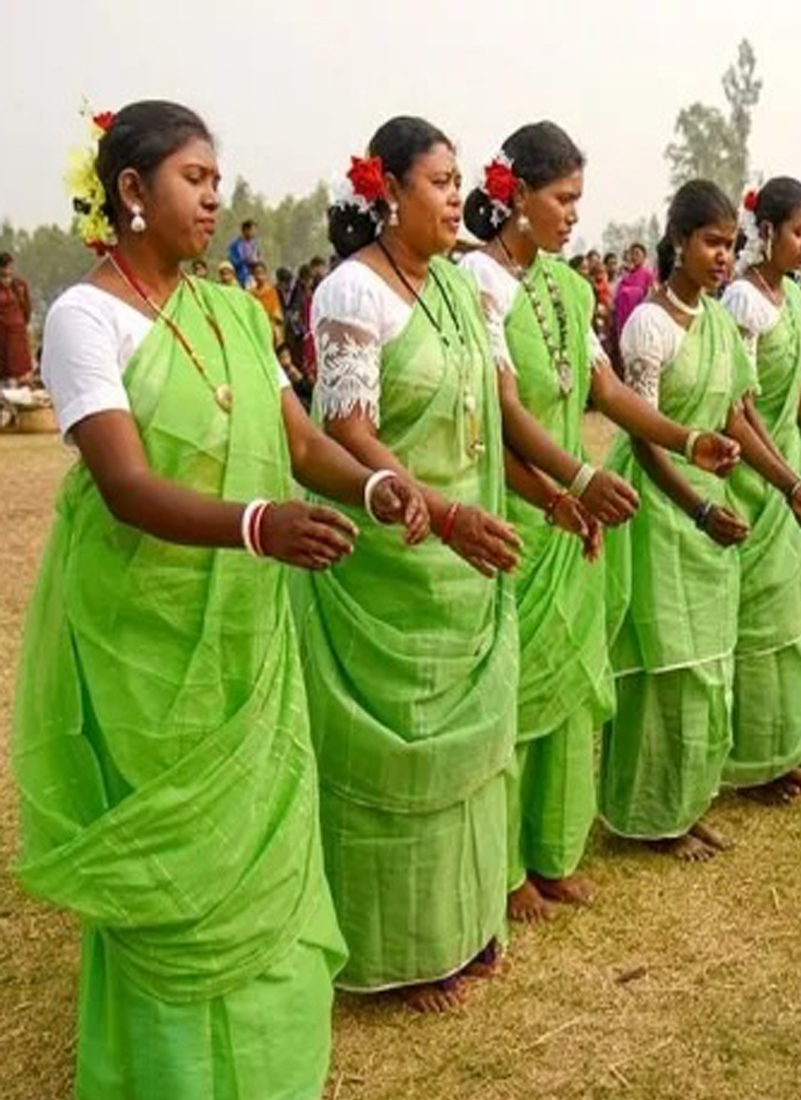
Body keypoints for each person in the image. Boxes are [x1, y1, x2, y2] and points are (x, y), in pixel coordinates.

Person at [15, 99, 426, 1099]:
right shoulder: (85, 316)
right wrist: (257, 525)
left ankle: (273, 1067)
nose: (214, 195)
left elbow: (299, 441)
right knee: (174, 882)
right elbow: (124, 483)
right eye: (195, 178)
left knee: (261, 849)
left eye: (215, 177)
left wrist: (375, 484)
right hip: (142, 634)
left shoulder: (234, 310)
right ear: (131, 191)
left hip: (245, 627)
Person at [302, 115, 605, 1012]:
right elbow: (346, 430)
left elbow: (492, 413)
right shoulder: (353, 294)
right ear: (387, 190)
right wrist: (437, 512)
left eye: (456, 180)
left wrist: (551, 493)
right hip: (394, 557)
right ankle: (395, 952)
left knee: (471, 753)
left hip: (469, 553)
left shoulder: (454, 291)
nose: (455, 196)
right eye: (438, 181)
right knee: (400, 765)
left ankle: (462, 924)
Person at [460, 123, 740, 913]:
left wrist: (689, 438)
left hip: (566, 512)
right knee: (515, 695)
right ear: (517, 196)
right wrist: (577, 476)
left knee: (569, 687)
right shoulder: (477, 283)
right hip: (516, 500)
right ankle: (506, 867)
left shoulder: (567, 286)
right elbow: (504, 405)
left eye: (579, 198)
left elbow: (607, 391)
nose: (574, 214)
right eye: (563, 198)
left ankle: (551, 851)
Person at [603, 179, 764, 861]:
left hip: (711, 501)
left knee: (708, 667)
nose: (722, 257)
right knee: (665, 667)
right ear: (678, 241)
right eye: (711, 242)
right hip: (664, 506)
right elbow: (645, 434)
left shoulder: (722, 322)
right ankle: (647, 814)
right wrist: (695, 506)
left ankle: (687, 801)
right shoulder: (650, 324)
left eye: (730, 244)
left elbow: (732, 414)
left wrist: (778, 485)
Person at [720, 177, 801, 795]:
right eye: (799, 232)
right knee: (755, 621)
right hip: (751, 476)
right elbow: (738, 410)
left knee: (790, 615)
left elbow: (796, 395)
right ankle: (747, 757)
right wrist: (787, 483)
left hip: (788, 468)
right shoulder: (742, 303)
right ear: (765, 231)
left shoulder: (791, 300)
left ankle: (782, 746)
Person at [0, 252, 33, 379]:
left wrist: (23, 323)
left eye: (9, 267)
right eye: (4, 267)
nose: (8, 270)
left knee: (20, 371)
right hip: (2, 335)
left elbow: (27, 308)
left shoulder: (19, 285)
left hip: (18, 333)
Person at [612, 241, 655, 338]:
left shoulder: (648, 274)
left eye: (637, 253)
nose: (634, 256)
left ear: (644, 256)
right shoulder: (625, 277)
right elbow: (617, 298)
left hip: (640, 319)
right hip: (624, 319)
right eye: (632, 254)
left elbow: (651, 294)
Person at [226, 218, 259, 287]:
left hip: (251, 279)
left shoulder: (255, 246)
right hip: (239, 278)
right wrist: (245, 260)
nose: (254, 233)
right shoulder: (235, 245)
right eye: (252, 230)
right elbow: (231, 262)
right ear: (246, 230)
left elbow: (257, 260)